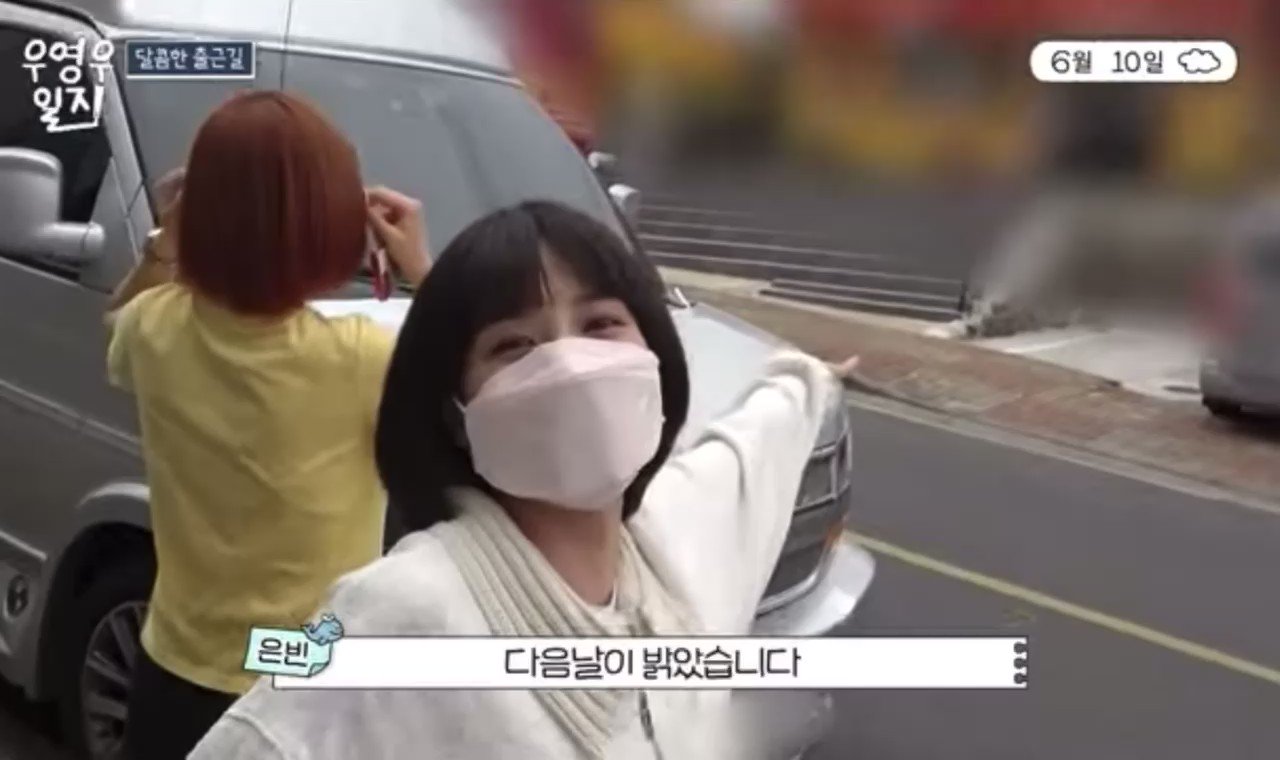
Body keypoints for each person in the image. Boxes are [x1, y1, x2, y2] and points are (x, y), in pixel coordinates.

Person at [190, 201, 852, 760]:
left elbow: (753, 447)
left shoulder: (675, 546)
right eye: (513, 346)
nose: (569, 364)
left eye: (600, 324)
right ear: (457, 414)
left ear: (655, 355)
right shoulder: (397, 613)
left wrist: (808, 378)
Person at [104, 90, 431, 760]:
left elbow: (121, 318)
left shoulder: (152, 328)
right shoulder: (364, 360)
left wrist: (169, 239)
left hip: (174, 671)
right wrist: (424, 271)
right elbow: (488, 387)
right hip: (305, 684)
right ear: (331, 226)